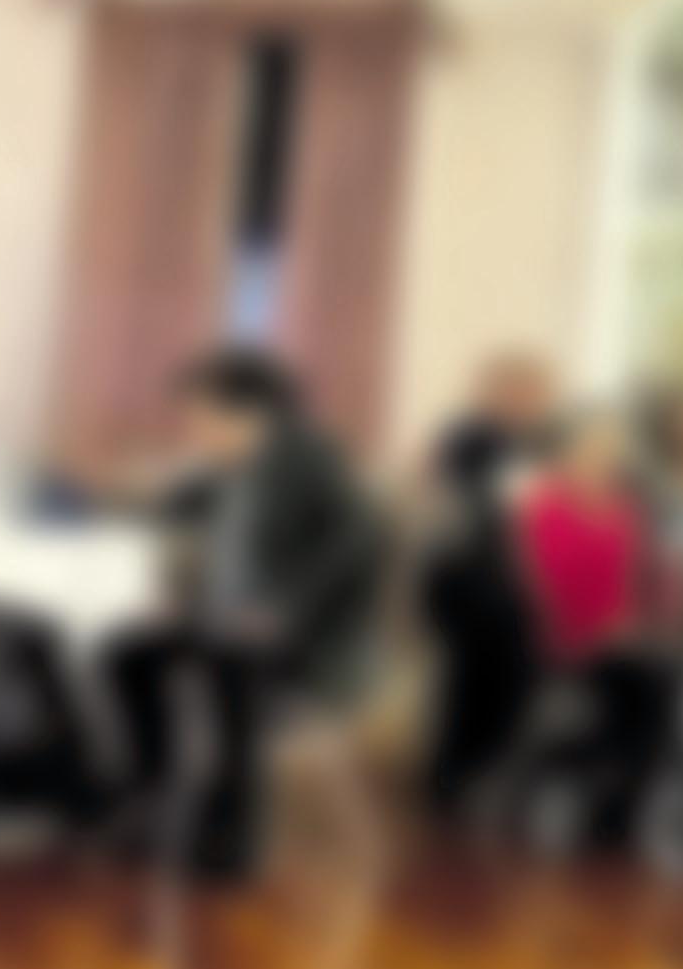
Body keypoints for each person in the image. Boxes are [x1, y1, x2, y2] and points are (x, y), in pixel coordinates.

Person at [98, 349, 386, 885]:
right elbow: (199, 538)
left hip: (307, 640)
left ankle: (232, 838)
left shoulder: (307, 458)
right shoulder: (232, 468)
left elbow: (357, 543)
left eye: (199, 415)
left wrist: (283, 611)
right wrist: (182, 602)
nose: (192, 428)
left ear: (247, 411)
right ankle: (154, 800)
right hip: (230, 622)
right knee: (127, 652)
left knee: (231, 668)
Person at [513, 406, 683, 849]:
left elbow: (650, 576)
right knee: (654, 687)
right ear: (568, 454)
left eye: (611, 452)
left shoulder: (628, 510)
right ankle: (605, 796)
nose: (603, 460)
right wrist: (604, 628)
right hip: (566, 637)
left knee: (679, 679)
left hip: (622, 637)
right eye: (593, 450)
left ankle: (626, 801)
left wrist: (657, 619)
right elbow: (550, 580)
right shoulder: (546, 505)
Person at [414, 348, 558, 820]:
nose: (535, 400)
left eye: (539, 392)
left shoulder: (538, 442)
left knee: (510, 671)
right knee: (480, 675)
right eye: (525, 390)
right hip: (467, 579)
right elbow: (497, 506)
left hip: (511, 583)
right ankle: (455, 779)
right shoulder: (469, 440)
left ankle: (481, 774)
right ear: (498, 391)